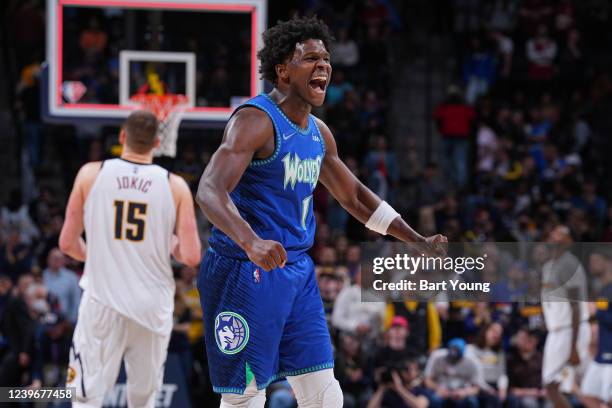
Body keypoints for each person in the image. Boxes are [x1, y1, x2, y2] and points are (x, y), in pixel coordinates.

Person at [196, 16, 447, 408]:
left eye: (326, 59)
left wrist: (415, 240)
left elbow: (357, 198)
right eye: (311, 58)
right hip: (244, 269)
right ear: (282, 71)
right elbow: (209, 190)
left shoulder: (318, 133)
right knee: (245, 396)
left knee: (325, 393)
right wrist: (250, 242)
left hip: (296, 269)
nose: (324, 66)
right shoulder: (254, 121)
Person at [59, 110, 201, 407]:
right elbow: (190, 255)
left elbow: (67, 243)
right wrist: (170, 243)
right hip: (151, 304)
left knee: (85, 394)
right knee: (144, 398)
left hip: (103, 300)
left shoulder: (90, 173)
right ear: (158, 142)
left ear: (122, 137)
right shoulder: (175, 185)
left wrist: (95, 255)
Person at [540, 225, 590, 408]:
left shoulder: (570, 264)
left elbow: (575, 307)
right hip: (557, 331)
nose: (554, 236)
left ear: (568, 242)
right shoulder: (548, 266)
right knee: (552, 385)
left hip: (570, 330)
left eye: (560, 235)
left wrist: (574, 347)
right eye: (552, 233)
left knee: (555, 385)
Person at [580, 248, 612, 407]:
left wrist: (597, 314)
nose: (591, 265)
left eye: (596, 261)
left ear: (608, 263)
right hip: (601, 354)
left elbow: (604, 316)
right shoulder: (603, 290)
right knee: (587, 395)